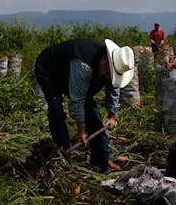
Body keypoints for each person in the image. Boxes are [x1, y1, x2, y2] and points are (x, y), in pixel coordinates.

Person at [34, 39, 134, 170]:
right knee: (56, 110)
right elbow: (77, 99)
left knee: (93, 114)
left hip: (72, 71)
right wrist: (80, 131)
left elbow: (113, 89)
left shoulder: (113, 65)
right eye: (110, 74)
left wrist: (112, 116)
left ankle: (101, 159)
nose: (109, 78)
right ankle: (64, 155)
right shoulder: (83, 66)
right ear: (104, 61)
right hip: (51, 70)